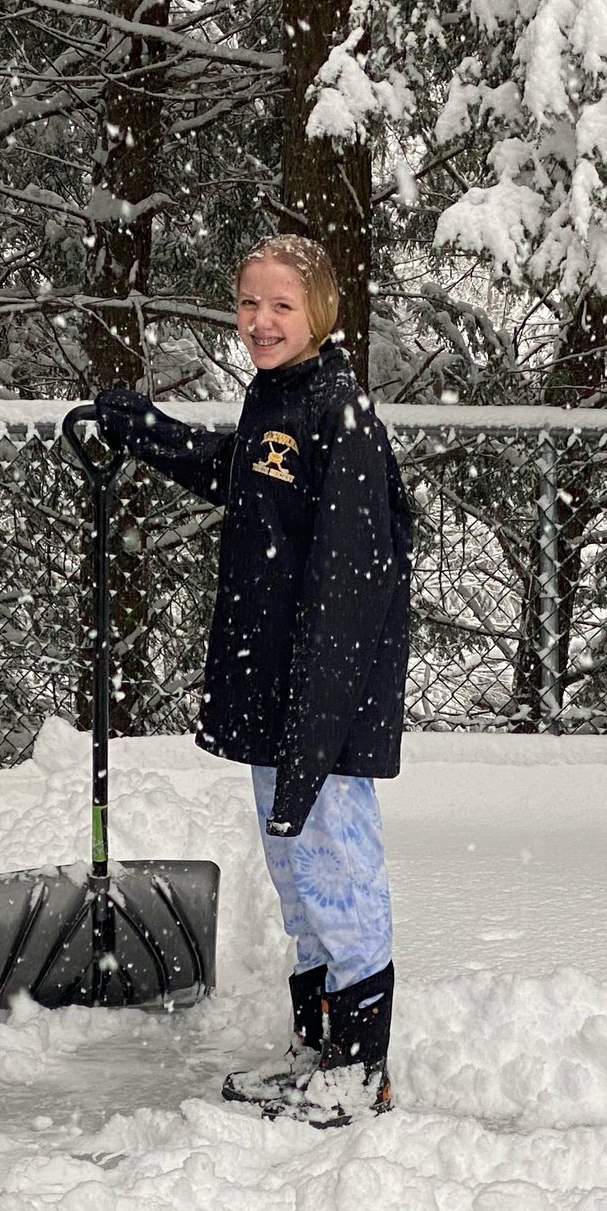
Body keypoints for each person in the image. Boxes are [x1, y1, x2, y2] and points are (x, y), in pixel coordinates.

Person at [92, 235, 414, 1128]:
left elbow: (349, 586)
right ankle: (316, 1049)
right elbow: (238, 473)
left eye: (280, 304)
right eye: (247, 304)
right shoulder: (279, 398)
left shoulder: (338, 412)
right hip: (279, 698)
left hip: (322, 707)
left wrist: (315, 727)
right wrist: (144, 431)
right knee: (299, 876)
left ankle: (359, 1071)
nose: (260, 321)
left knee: (341, 878)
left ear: (321, 311)